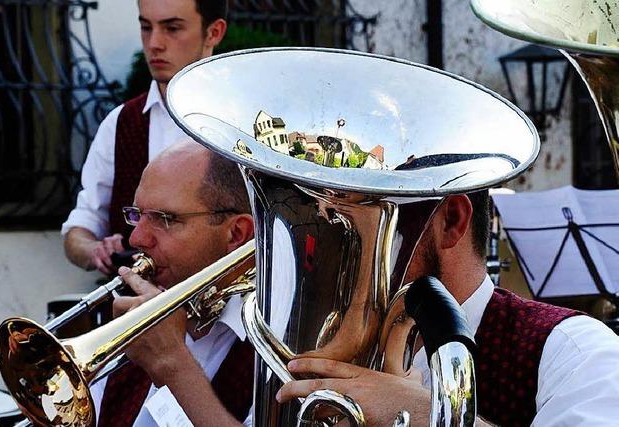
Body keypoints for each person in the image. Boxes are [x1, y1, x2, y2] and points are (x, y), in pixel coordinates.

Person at [276, 191, 619, 426]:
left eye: (351, 228)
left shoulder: (577, 351)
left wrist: (427, 414)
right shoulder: (314, 340)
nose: (323, 254)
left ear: (451, 221)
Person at [89, 140, 255, 427]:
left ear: (236, 234)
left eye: (165, 219)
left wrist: (172, 363)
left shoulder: (282, 346)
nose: (136, 239)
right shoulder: (137, 318)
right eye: (137, 216)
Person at [62, 0, 228, 275]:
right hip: (141, 309)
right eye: (145, 27)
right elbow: (82, 224)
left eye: (172, 28)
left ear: (214, 32)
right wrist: (95, 250)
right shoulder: (120, 123)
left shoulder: (245, 123)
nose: (154, 43)